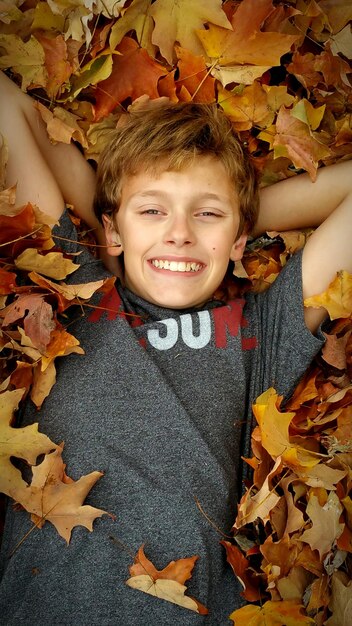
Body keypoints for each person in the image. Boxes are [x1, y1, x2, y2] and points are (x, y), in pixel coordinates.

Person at [0, 70, 351, 626]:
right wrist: (106, 229)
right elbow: (7, 107)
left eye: (206, 214)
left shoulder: (257, 332)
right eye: (152, 210)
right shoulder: (73, 293)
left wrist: (242, 217)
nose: (180, 233)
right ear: (113, 232)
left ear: (238, 238)